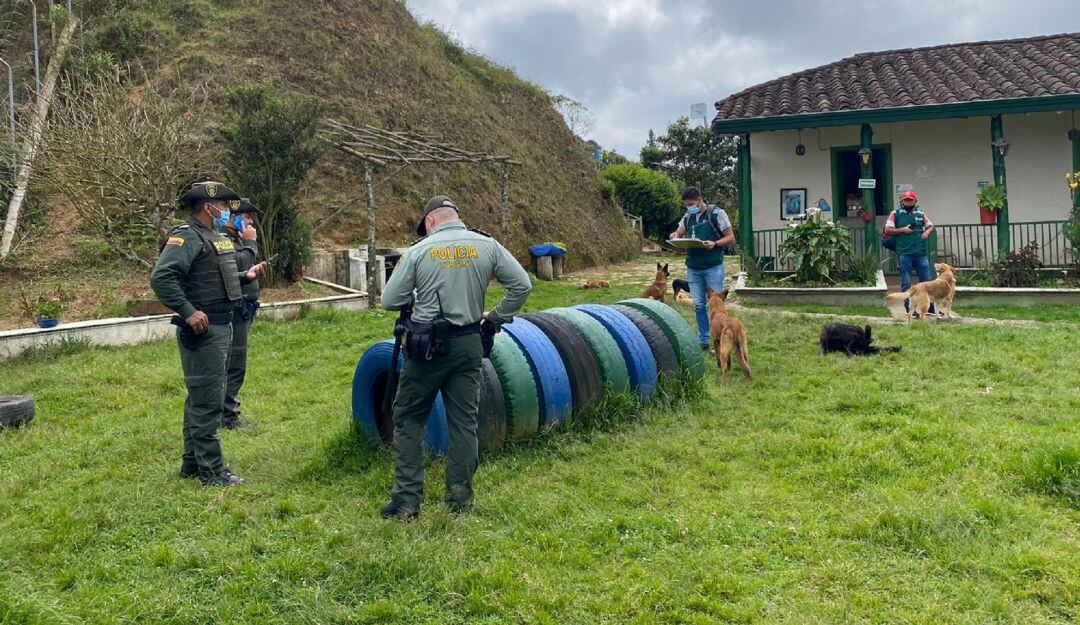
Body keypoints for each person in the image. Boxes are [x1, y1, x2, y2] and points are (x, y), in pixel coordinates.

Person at [379, 195, 532, 520]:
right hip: (470, 342)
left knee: (409, 418)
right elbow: (522, 285)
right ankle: (459, 501)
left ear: (430, 221)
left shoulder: (420, 251)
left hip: (427, 348)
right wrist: (494, 317)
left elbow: (390, 300)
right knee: (464, 423)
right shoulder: (486, 245)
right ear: (455, 216)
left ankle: (407, 504)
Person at [150, 182, 266, 487]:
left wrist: (245, 275)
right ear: (208, 207)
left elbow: (216, 277)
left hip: (221, 325)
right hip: (204, 330)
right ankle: (213, 472)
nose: (228, 211)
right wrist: (188, 311)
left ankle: (192, 464)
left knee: (201, 398)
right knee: (208, 402)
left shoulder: (213, 237)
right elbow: (162, 277)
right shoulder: (186, 236)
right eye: (224, 206)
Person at [668, 187, 735, 350]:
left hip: (713, 266)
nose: (688, 207)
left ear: (699, 200)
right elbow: (680, 231)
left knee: (717, 306)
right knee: (699, 305)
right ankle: (704, 340)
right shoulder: (688, 216)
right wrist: (675, 236)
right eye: (686, 205)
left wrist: (715, 244)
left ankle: (720, 340)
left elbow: (731, 237)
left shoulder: (717, 214)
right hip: (693, 267)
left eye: (691, 204)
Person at [222, 198, 264, 430]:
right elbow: (239, 262)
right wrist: (251, 244)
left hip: (244, 309)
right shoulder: (225, 240)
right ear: (233, 218)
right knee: (235, 362)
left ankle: (227, 412)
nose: (250, 223)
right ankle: (228, 416)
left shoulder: (235, 240)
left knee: (235, 360)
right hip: (235, 311)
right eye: (247, 217)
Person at [884, 190, 936, 317]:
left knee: (927, 282)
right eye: (906, 200)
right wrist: (903, 230)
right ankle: (910, 310)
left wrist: (926, 233)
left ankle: (930, 308)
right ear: (902, 201)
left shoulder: (921, 214)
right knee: (906, 282)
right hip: (904, 252)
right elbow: (888, 230)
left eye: (910, 200)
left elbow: (931, 225)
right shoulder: (895, 214)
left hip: (920, 252)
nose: (908, 202)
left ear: (915, 201)